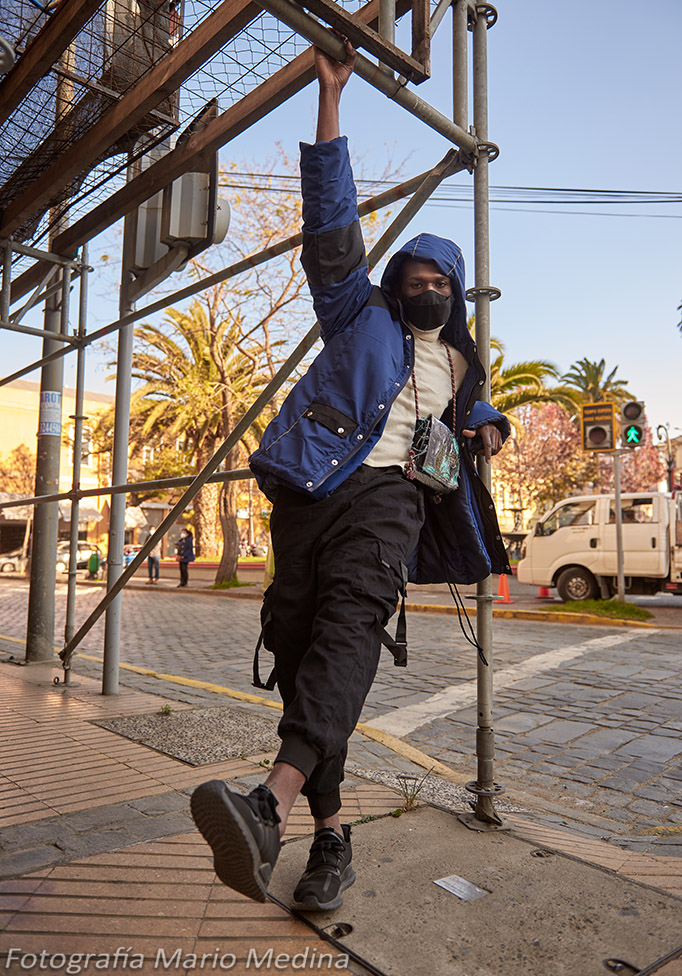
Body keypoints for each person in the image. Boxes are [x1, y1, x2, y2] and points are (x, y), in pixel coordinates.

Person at [190, 39, 511, 912]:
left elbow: (474, 417)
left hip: (390, 502)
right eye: (414, 276)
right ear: (393, 285)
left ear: (458, 293)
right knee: (298, 643)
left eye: (443, 280)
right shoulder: (353, 312)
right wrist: (331, 102)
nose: (427, 287)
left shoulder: (462, 363)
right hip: (310, 490)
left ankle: (269, 802)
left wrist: (487, 429)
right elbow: (331, 221)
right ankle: (327, 834)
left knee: (349, 631)